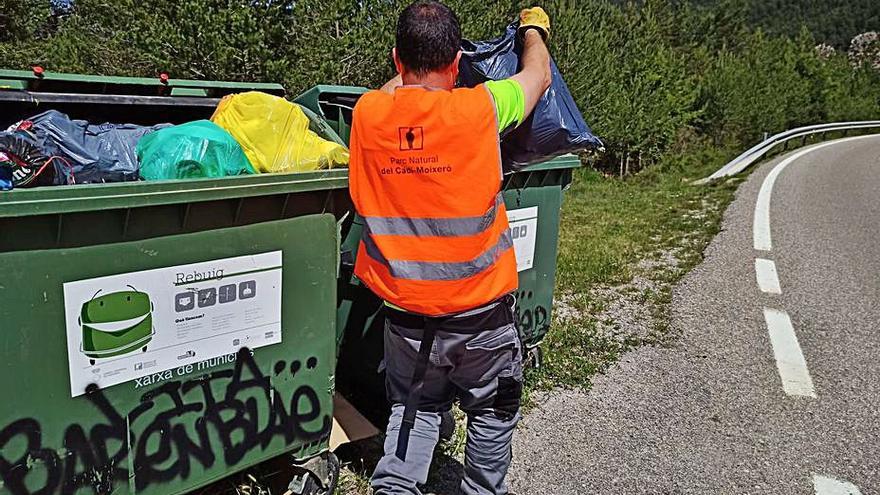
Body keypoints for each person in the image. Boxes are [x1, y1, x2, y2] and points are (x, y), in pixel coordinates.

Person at [347, 2, 551, 494]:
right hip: (481, 318)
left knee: (414, 411)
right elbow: (537, 76)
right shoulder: (480, 108)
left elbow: (394, 91)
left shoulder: (369, 115)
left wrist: (409, 72)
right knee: (491, 412)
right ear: (457, 62)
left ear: (397, 60)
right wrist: (533, 30)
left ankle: (395, 486)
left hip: (408, 320)